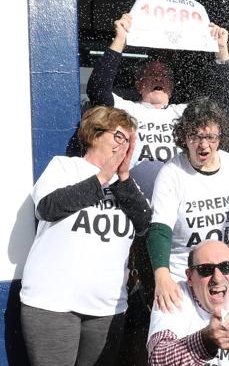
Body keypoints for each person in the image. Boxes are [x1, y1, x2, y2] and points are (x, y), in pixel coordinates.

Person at [20, 106, 151, 366]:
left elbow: (144, 223)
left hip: (107, 309)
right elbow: (48, 207)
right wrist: (102, 177)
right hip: (52, 305)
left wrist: (122, 176)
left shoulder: (125, 184)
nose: (123, 145)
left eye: (129, 140)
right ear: (93, 134)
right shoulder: (65, 167)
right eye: (118, 136)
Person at [86, 12, 229, 199]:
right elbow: (97, 89)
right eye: (151, 75)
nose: (158, 79)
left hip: (179, 202)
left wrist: (221, 49)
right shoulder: (126, 109)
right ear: (138, 84)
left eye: (164, 76)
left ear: (171, 87)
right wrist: (120, 39)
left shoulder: (184, 112)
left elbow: (222, 100)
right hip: (132, 203)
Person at [147, 97, 229, 314]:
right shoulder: (172, 173)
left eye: (211, 137)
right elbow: (159, 230)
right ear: (184, 137)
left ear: (220, 136)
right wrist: (161, 276)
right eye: (195, 137)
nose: (204, 145)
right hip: (185, 276)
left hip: (227, 274)